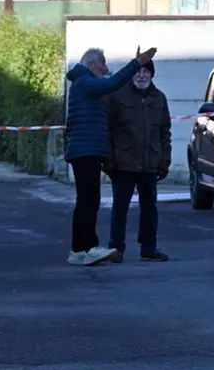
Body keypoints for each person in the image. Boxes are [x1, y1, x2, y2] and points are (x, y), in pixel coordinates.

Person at [64, 45, 157, 266]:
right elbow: (111, 83)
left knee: (85, 200)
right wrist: (137, 63)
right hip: (86, 151)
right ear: (92, 65)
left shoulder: (82, 83)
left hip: (86, 150)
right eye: (103, 63)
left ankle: (78, 249)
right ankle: (87, 247)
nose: (105, 68)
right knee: (89, 201)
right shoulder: (85, 83)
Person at [104, 60, 171, 263]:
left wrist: (165, 158)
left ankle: (148, 247)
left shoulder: (159, 98)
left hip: (150, 161)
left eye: (146, 71)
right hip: (123, 161)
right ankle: (116, 248)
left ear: (151, 75)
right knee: (120, 207)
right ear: (132, 74)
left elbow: (164, 131)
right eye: (138, 71)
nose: (142, 75)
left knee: (150, 206)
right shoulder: (117, 96)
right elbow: (107, 129)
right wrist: (108, 158)